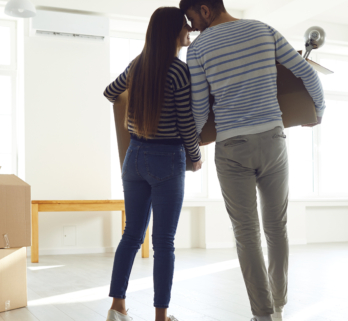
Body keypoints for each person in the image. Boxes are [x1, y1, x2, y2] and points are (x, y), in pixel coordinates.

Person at [179, 1, 326, 320]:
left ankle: (262, 315)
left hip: (232, 147)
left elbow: (200, 107)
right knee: (277, 228)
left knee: (246, 234)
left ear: (205, 9)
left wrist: (195, 142)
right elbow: (305, 71)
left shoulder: (199, 49)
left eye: (191, 18)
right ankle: (278, 306)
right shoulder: (263, 30)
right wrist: (319, 112)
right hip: (273, 141)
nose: (191, 27)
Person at [102, 7, 202, 321]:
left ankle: (117, 308)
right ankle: (161, 316)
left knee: (131, 235)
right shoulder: (177, 70)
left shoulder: (137, 66)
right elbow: (186, 122)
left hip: (134, 157)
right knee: (163, 242)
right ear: (173, 32)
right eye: (186, 26)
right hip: (167, 159)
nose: (190, 30)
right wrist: (196, 157)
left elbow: (110, 93)